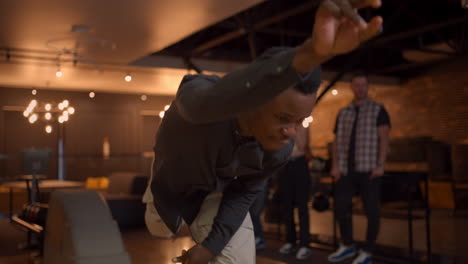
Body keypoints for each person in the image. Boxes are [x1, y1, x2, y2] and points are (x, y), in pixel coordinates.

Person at [143, 0, 384, 263]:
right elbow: (211, 100)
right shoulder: (200, 98)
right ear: (256, 101)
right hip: (170, 184)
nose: (290, 133)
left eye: (300, 121)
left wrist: (210, 248)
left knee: (239, 259)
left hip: (214, 191)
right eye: (283, 118)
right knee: (161, 228)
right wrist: (310, 53)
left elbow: (244, 193)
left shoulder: (279, 150)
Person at [327, 72, 391, 264]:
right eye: (356, 85)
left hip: (369, 169)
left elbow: (384, 139)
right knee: (340, 207)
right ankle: (347, 245)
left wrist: (380, 165)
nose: (360, 88)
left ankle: (367, 252)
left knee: (371, 211)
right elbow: (337, 142)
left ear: (368, 86)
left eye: (363, 85)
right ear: (351, 87)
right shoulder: (343, 112)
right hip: (346, 170)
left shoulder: (378, 110)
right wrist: (335, 165)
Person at [278, 125, 312, 260]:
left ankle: (305, 244)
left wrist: (294, 128)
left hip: (299, 164)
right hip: (285, 166)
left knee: (302, 207)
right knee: (287, 206)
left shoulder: (302, 124)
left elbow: (302, 146)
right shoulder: (283, 125)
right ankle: (290, 241)